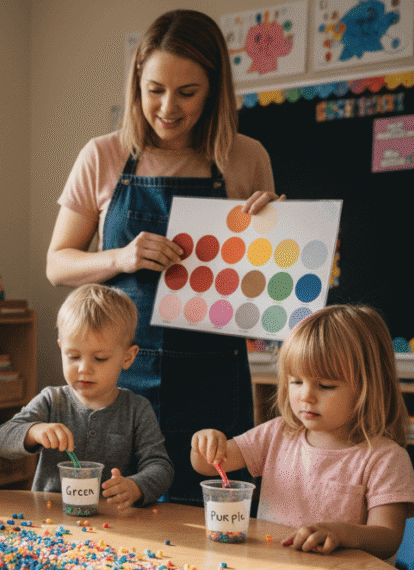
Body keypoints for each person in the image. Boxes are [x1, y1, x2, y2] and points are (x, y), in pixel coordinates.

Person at [46, 9, 283, 505]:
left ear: (215, 89)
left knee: (214, 522)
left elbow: (264, 296)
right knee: (116, 519)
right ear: (137, 83)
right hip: (119, 381)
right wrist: (121, 257)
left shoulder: (247, 157)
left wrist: (279, 239)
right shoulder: (103, 155)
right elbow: (58, 264)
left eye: (188, 93)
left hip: (216, 381)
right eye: (155, 90)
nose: (168, 107)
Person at [191, 305, 414, 561]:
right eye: (296, 381)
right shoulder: (277, 434)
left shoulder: (385, 458)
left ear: (368, 388)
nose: (306, 396)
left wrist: (342, 533)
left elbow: (388, 538)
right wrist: (204, 442)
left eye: (325, 385)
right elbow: (208, 465)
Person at [0, 284, 173, 509]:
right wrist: (34, 431)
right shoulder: (51, 400)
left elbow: (161, 467)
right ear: (61, 350)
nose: (84, 369)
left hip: (115, 525)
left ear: (128, 357)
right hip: (52, 521)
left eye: (100, 359)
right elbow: (2, 440)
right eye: (73, 356)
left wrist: (135, 486)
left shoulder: (136, 409)